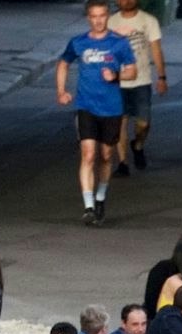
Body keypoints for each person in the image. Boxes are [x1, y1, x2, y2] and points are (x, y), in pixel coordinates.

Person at [60, 0, 140, 220]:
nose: (98, 20)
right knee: (88, 155)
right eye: (94, 16)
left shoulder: (119, 43)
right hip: (85, 106)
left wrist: (115, 76)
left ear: (107, 16)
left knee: (105, 156)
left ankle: (101, 197)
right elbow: (63, 63)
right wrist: (61, 91)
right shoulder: (78, 42)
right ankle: (88, 207)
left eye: (102, 15)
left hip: (112, 108)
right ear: (88, 18)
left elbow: (132, 72)